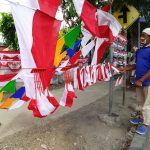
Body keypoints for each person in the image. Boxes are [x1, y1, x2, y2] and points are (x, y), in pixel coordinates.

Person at [121, 28, 150, 135]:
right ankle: (142, 118)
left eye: (145, 36)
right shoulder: (140, 51)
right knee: (141, 103)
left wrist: (142, 80)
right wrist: (125, 69)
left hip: (147, 83)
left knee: (147, 104)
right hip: (139, 82)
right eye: (141, 35)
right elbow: (135, 65)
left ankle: (146, 125)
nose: (142, 38)